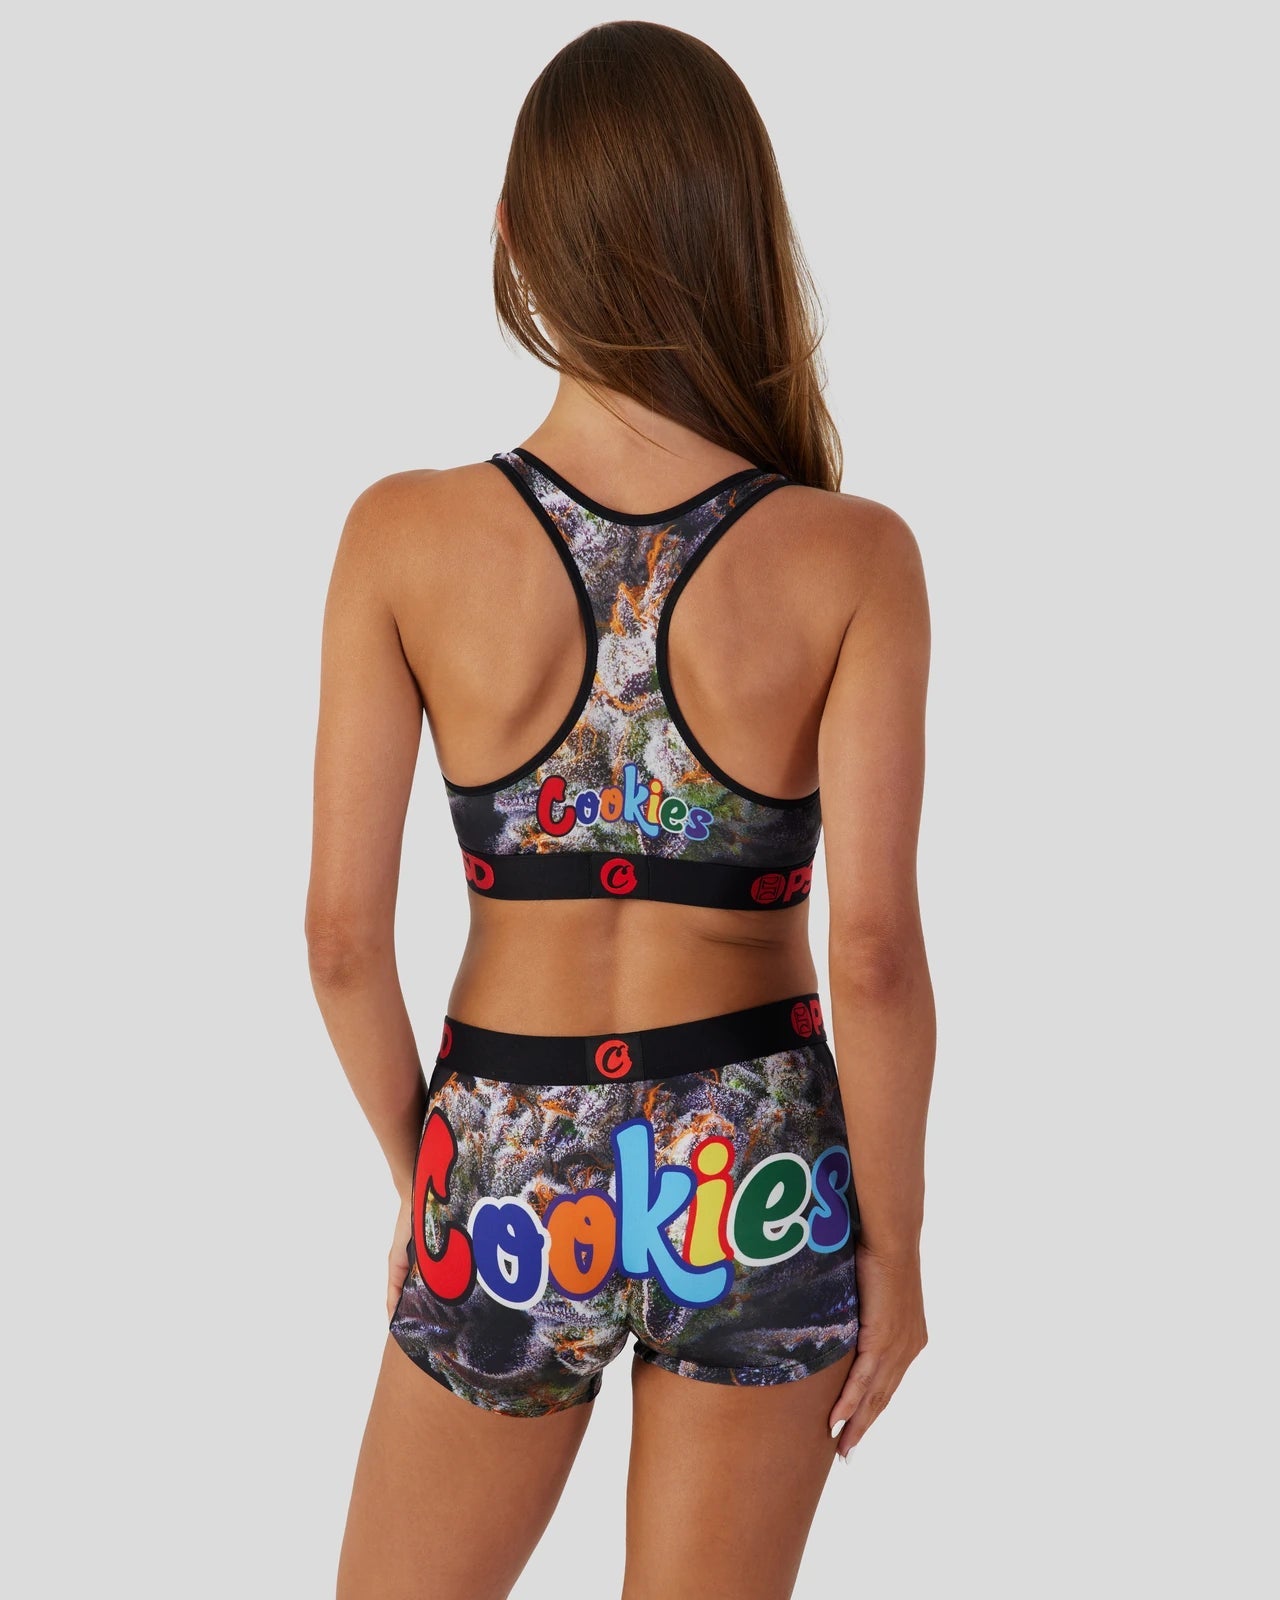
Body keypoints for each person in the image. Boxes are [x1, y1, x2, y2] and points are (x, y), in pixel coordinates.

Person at [307, 21, 934, 1600]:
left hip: (506, 1167)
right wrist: (899, 1247)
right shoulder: (854, 556)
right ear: (741, 236)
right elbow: (872, 955)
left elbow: (339, 942)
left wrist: (429, 1172)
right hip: (756, 1172)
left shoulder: (402, 538)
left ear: (516, 238)